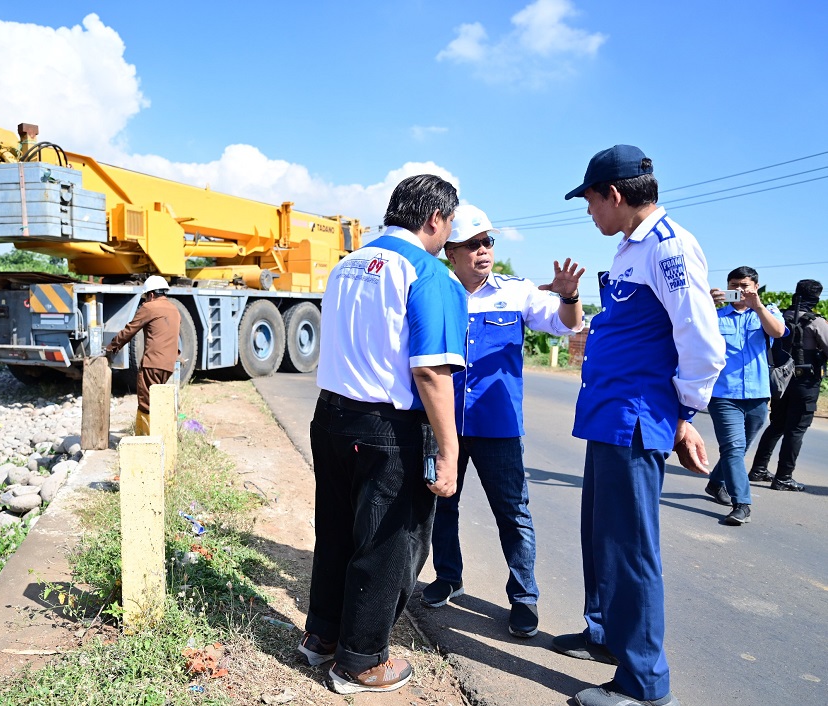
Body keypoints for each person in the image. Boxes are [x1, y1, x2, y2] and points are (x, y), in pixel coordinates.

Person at [553, 145, 725, 706]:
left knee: (630, 550)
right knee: (601, 539)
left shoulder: (669, 247)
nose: (589, 212)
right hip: (609, 415)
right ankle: (606, 634)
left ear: (615, 195)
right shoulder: (633, 247)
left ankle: (644, 683)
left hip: (635, 418)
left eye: (590, 201)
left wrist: (684, 415)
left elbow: (701, 341)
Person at [299, 174, 467, 695]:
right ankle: (361, 661)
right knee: (389, 544)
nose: (450, 232)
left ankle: (322, 637)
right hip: (386, 428)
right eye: (451, 222)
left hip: (331, 417)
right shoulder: (428, 274)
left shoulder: (347, 264)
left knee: (336, 531)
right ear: (435, 218)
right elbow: (431, 371)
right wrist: (449, 449)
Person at [420, 204, 585, 641]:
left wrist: (569, 297)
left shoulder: (517, 292)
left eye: (488, 242)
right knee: (442, 504)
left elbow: (566, 326)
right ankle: (448, 577)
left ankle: (524, 597)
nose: (483, 250)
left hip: (499, 426)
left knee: (513, 513)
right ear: (451, 252)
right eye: (472, 244)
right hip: (445, 425)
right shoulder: (435, 290)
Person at [704, 266, 786, 525]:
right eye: (733, 285)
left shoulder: (767, 312)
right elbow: (691, 332)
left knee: (738, 448)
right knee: (733, 447)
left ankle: (716, 482)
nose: (738, 290)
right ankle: (742, 504)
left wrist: (757, 306)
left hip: (757, 394)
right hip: (723, 394)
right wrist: (705, 303)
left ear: (756, 287)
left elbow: (778, 332)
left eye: (744, 285)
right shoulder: (715, 316)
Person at [749, 279, 828, 491]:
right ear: (815, 298)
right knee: (796, 429)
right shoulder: (816, 322)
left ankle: (758, 469)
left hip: (779, 381)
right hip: (805, 382)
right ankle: (783, 477)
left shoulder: (777, 316)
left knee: (777, 425)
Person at [103, 275, 180, 435]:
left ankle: (146, 439)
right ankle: (160, 435)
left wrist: (111, 347)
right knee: (158, 401)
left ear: (151, 294)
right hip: (168, 365)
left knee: (146, 402)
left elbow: (129, 330)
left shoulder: (149, 307)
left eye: (145, 296)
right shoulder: (174, 309)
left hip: (152, 364)